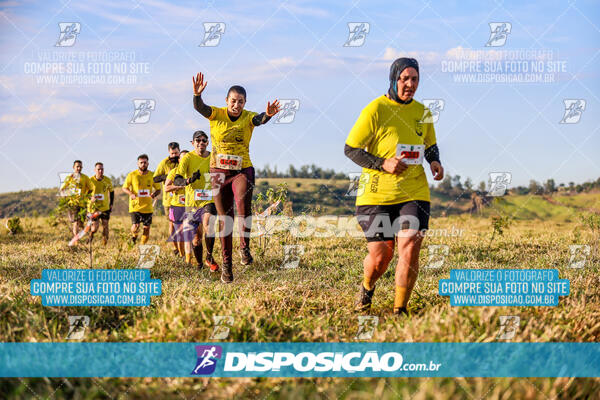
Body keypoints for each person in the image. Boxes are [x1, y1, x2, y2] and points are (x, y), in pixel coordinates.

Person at [344, 57, 444, 316]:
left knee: (410, 245)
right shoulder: (375, 109)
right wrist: (382, 163)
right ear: (393, 79)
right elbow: (350, 149)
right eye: (404, 79)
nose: (410, 84)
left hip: (414, 191)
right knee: (381, 257)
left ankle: (400, 309)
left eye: (415, 79)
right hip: (376, 194)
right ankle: (367, 287)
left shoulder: (423, 113)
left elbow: (429, 144)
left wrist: (434, 161)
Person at [191, 72, 281, 283]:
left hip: (242, 170)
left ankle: (245, 248)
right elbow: (200, 108)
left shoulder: (248, 117)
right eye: (233, 101)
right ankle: (227, 266)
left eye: (240, 102)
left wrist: (267, 115)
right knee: (225, 220)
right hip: (218, 172)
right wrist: (196, 95)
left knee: (242, 206)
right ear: (226, 101)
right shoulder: (216, 114)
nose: (236, 105)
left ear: (245, 103)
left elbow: (259, 120)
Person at [169, 131, 219, 273]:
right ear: (193, 143)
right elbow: (177, 179)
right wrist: (189, 180)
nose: (201, 143)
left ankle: (209, 257)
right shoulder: (187, 158)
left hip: (209, 199)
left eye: (204, 140)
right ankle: (199, 264)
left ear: (207, 143)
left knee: (209, 224)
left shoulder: (213, 157)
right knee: (196, 240)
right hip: (192, 203)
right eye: (198, 140)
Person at [122, 154, 161, 245]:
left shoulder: (152, 175)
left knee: (146, 228)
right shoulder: (132, 175)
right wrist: (131, 193)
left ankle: (142, 245)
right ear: (137, 164)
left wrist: (154, 194)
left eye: (145, 162)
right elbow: (124, 187)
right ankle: (134, 238)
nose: (143, 164)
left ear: (148, 163)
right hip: (135, 206)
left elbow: (158, 189)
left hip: (148, 207)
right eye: (141, 163)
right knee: (135, 225)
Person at [153, 142, 181, 255]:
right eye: (172, 153)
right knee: (172, 224)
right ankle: (175, 248)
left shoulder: (183, 160)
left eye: (176, 153)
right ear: (169, 152)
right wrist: (168, 175)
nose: (174, 155)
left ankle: (184, 246)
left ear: (179, 151)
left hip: (183, 198)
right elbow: (155, 179)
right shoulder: (164, 163)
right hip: (169, 200)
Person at [163, 150, 188, 259]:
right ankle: (183, 256)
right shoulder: (174, 172)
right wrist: (179, 186)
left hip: (192, 205)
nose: (184, 160)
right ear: (179, 160)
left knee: (194, 233)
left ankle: (190, 256)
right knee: (180, 234)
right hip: (177, 206)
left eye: (187, 158)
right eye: (182, 158)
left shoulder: (194, 171)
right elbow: (166, 188)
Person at [60, 160, 94, 237]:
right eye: (77, 167)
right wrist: (65, 198)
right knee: (75, 223)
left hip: (82, 204)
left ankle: (86, 235)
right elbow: (62, 190)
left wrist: (86, 197)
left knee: (80, 223)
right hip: (72, 204)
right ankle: (76, 242)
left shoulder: (85, 177)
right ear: (73, 167)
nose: (79, 168)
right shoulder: (69, 177)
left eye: (80, 167)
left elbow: (91, 189)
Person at [88, 162, 114, 245]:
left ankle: (104, 244)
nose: (100, 171)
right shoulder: (90, 180)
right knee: (94, 228)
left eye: (102, 169)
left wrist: (111, 204)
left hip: (105, 207)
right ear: (95, 170)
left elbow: (112, 192)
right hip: (94, 208)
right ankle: (90, 236)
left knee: (105, 225)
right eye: (98, 169)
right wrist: (90, 198)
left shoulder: (107, 180)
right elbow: (85, 193)